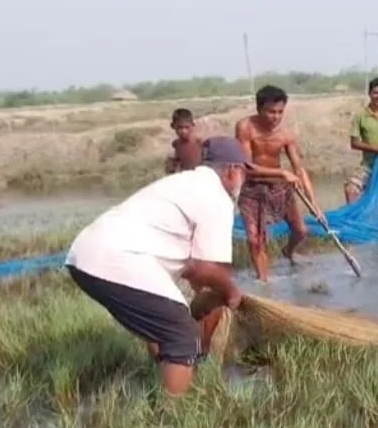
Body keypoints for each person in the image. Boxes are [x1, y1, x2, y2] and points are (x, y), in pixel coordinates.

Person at [65, 136, 251, 396]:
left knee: (164, 321)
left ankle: (169, 377)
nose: (244, 180)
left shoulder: (183, 183)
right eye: (244, 172)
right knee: (182, 336)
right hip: (116, 259)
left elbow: (193, 271)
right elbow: (207, 268)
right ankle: (175, 418)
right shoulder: (216, 197)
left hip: (83, 257)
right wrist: (231, 292)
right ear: (232, 170)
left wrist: (207, 297)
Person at [235, 85, 326, 282]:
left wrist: (314, 205)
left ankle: (288, 251)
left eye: (279, 112)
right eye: (270, 112)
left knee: (301, 231)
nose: (275, 117)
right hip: (252, 188)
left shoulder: (286, 134)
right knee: (255, 238)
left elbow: (299, 169)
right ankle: (263, 282)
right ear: (259, 109)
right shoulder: (245, 127)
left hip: (279, 188)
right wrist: (282, 172)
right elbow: (247, 167)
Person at [164, 108, 204, 174]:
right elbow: (179, 159)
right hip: (184, 174)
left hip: (198, 174)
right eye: (180, 127)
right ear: (173, 126)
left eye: (187, 127)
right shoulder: (176, 144)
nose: (183, 131)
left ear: (192, 125)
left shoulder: (198, 142)